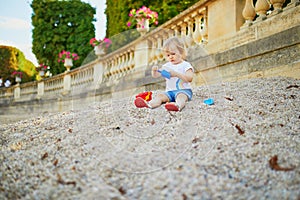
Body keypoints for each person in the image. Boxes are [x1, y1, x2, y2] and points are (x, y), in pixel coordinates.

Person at [134, 37, 194, 112]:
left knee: (180, 97)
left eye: (173, 54)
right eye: (168, 55)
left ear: (181, 52)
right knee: (160, 96)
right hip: (169, 92)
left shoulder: (185, 65)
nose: (171, 57)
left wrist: (176, 74)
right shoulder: (167, 66)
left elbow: (189, 78)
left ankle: (178, 106)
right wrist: (154, 71)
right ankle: (149, 104)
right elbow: (156, 75)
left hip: (184, 90)